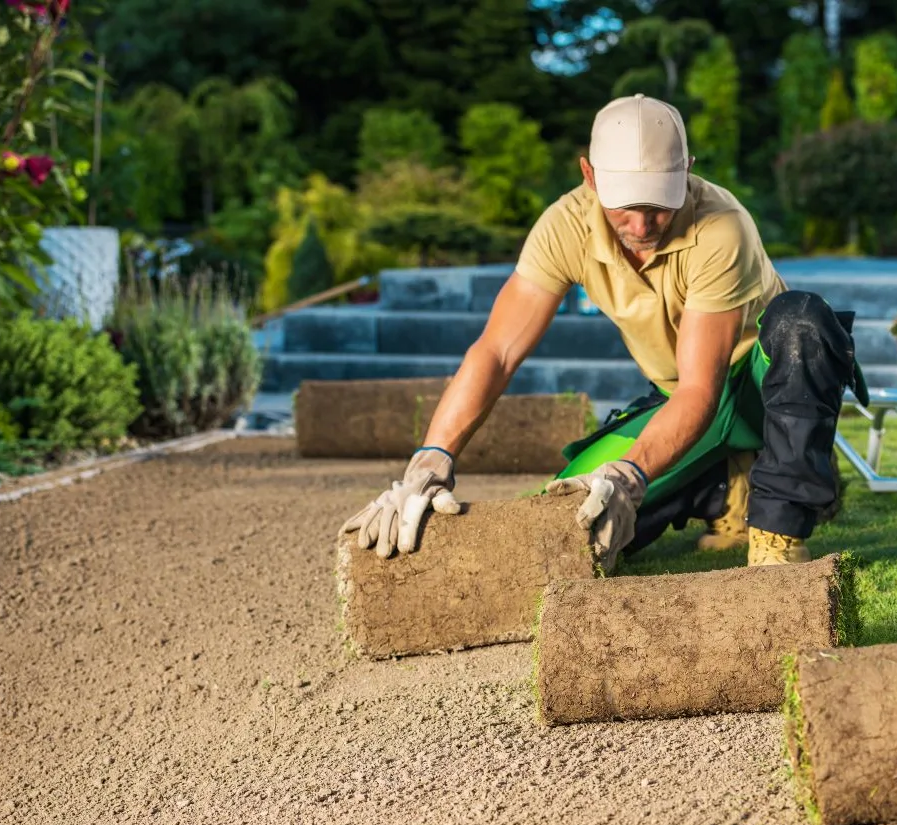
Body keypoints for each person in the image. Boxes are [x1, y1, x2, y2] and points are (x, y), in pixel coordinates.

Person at [341, 94, 868, 569]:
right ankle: (732, 486)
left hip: (760, 388)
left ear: (687, 170)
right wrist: (431, 459)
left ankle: (781, 516)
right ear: (589, 176)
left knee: (801, 319)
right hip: (678, 400)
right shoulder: (565, 226)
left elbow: (702, 390)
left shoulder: (721, 227)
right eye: (625, 206)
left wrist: (628, 475)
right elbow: (497, 351)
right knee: (570, 520)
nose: (641, 226)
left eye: (657, 205)